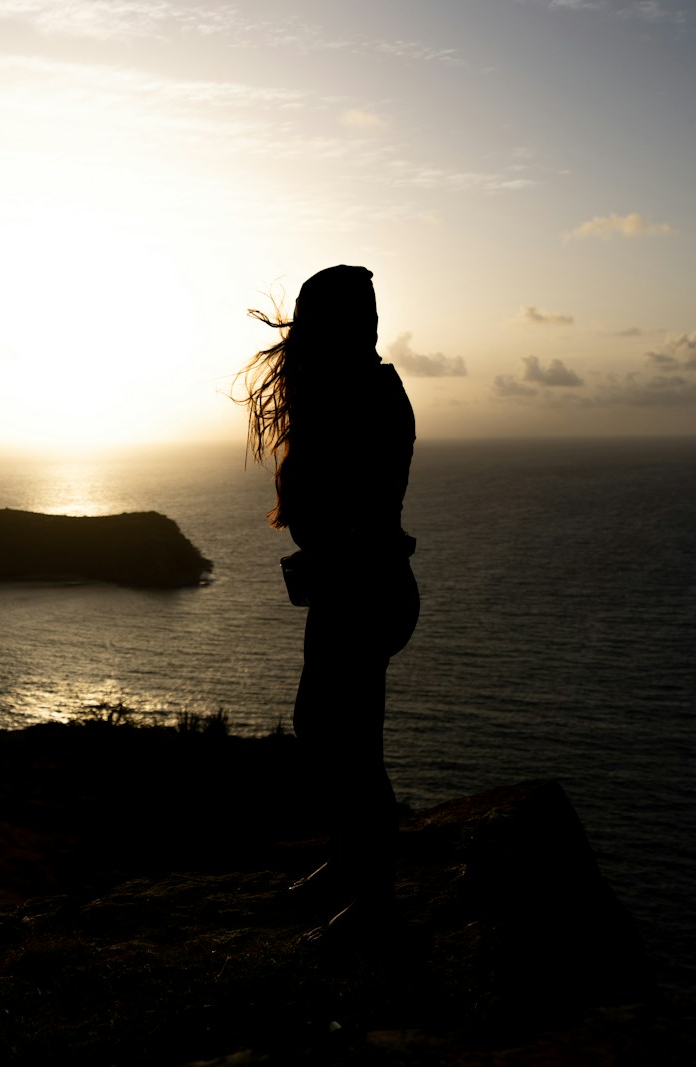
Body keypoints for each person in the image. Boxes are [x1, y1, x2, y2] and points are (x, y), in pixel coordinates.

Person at [241, 264, 420, 934]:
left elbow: (361, 508)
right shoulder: (352, 390)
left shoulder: (367, 396)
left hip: (365, 590)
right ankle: (351, 865)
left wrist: (329, 547)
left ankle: (373, 900)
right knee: (325, 731)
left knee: (350, 745)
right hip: (353, 587)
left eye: (310, 320)